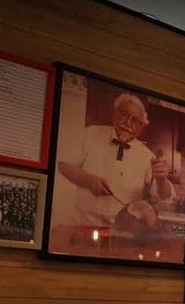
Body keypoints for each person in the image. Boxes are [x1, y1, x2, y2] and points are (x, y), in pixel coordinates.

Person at [57, 93, 175, 228]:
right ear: (114, 113)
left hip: (122, 231)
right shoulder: (91, 134)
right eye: (124, 115)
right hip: (83, 224)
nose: (128, 123)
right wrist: (88, 180)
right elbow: (63, 165)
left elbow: (165, 197)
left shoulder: (148, 156)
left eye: (135, 121)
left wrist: (161, 180)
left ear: (142, 127)